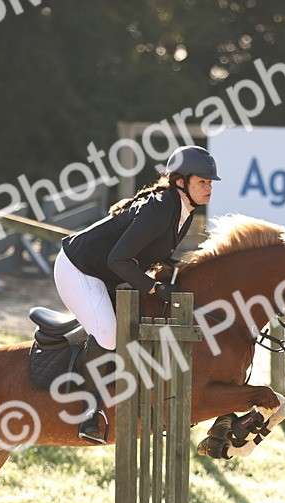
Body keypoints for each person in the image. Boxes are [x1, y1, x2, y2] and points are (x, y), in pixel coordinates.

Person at [53, 145, 220, 443]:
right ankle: (88, 415)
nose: (209, 188)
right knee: (107, 333)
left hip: (106, 272)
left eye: (210, 183)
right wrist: (153, 287)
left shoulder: (182, 211)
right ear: (181, 181)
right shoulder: (160, 208)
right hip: (78, 268)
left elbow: (149, 255)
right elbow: (117, 259)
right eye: (202, 182)